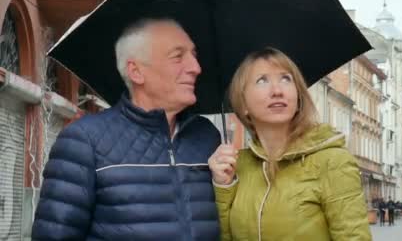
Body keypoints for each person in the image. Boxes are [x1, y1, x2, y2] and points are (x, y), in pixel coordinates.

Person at [32, 18, 223, 240]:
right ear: (136, 72)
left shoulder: (207, 136)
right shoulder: (84, 140)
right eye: (178, 56)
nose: (196, 68)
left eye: (194, 55)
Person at [209, 47, 371, 240]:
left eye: (286, 79)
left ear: (298, 95)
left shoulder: (332, 162)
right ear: (243, 104)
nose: (277, 91)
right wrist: (223, 187)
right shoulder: (238, 165)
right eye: (262, 80)